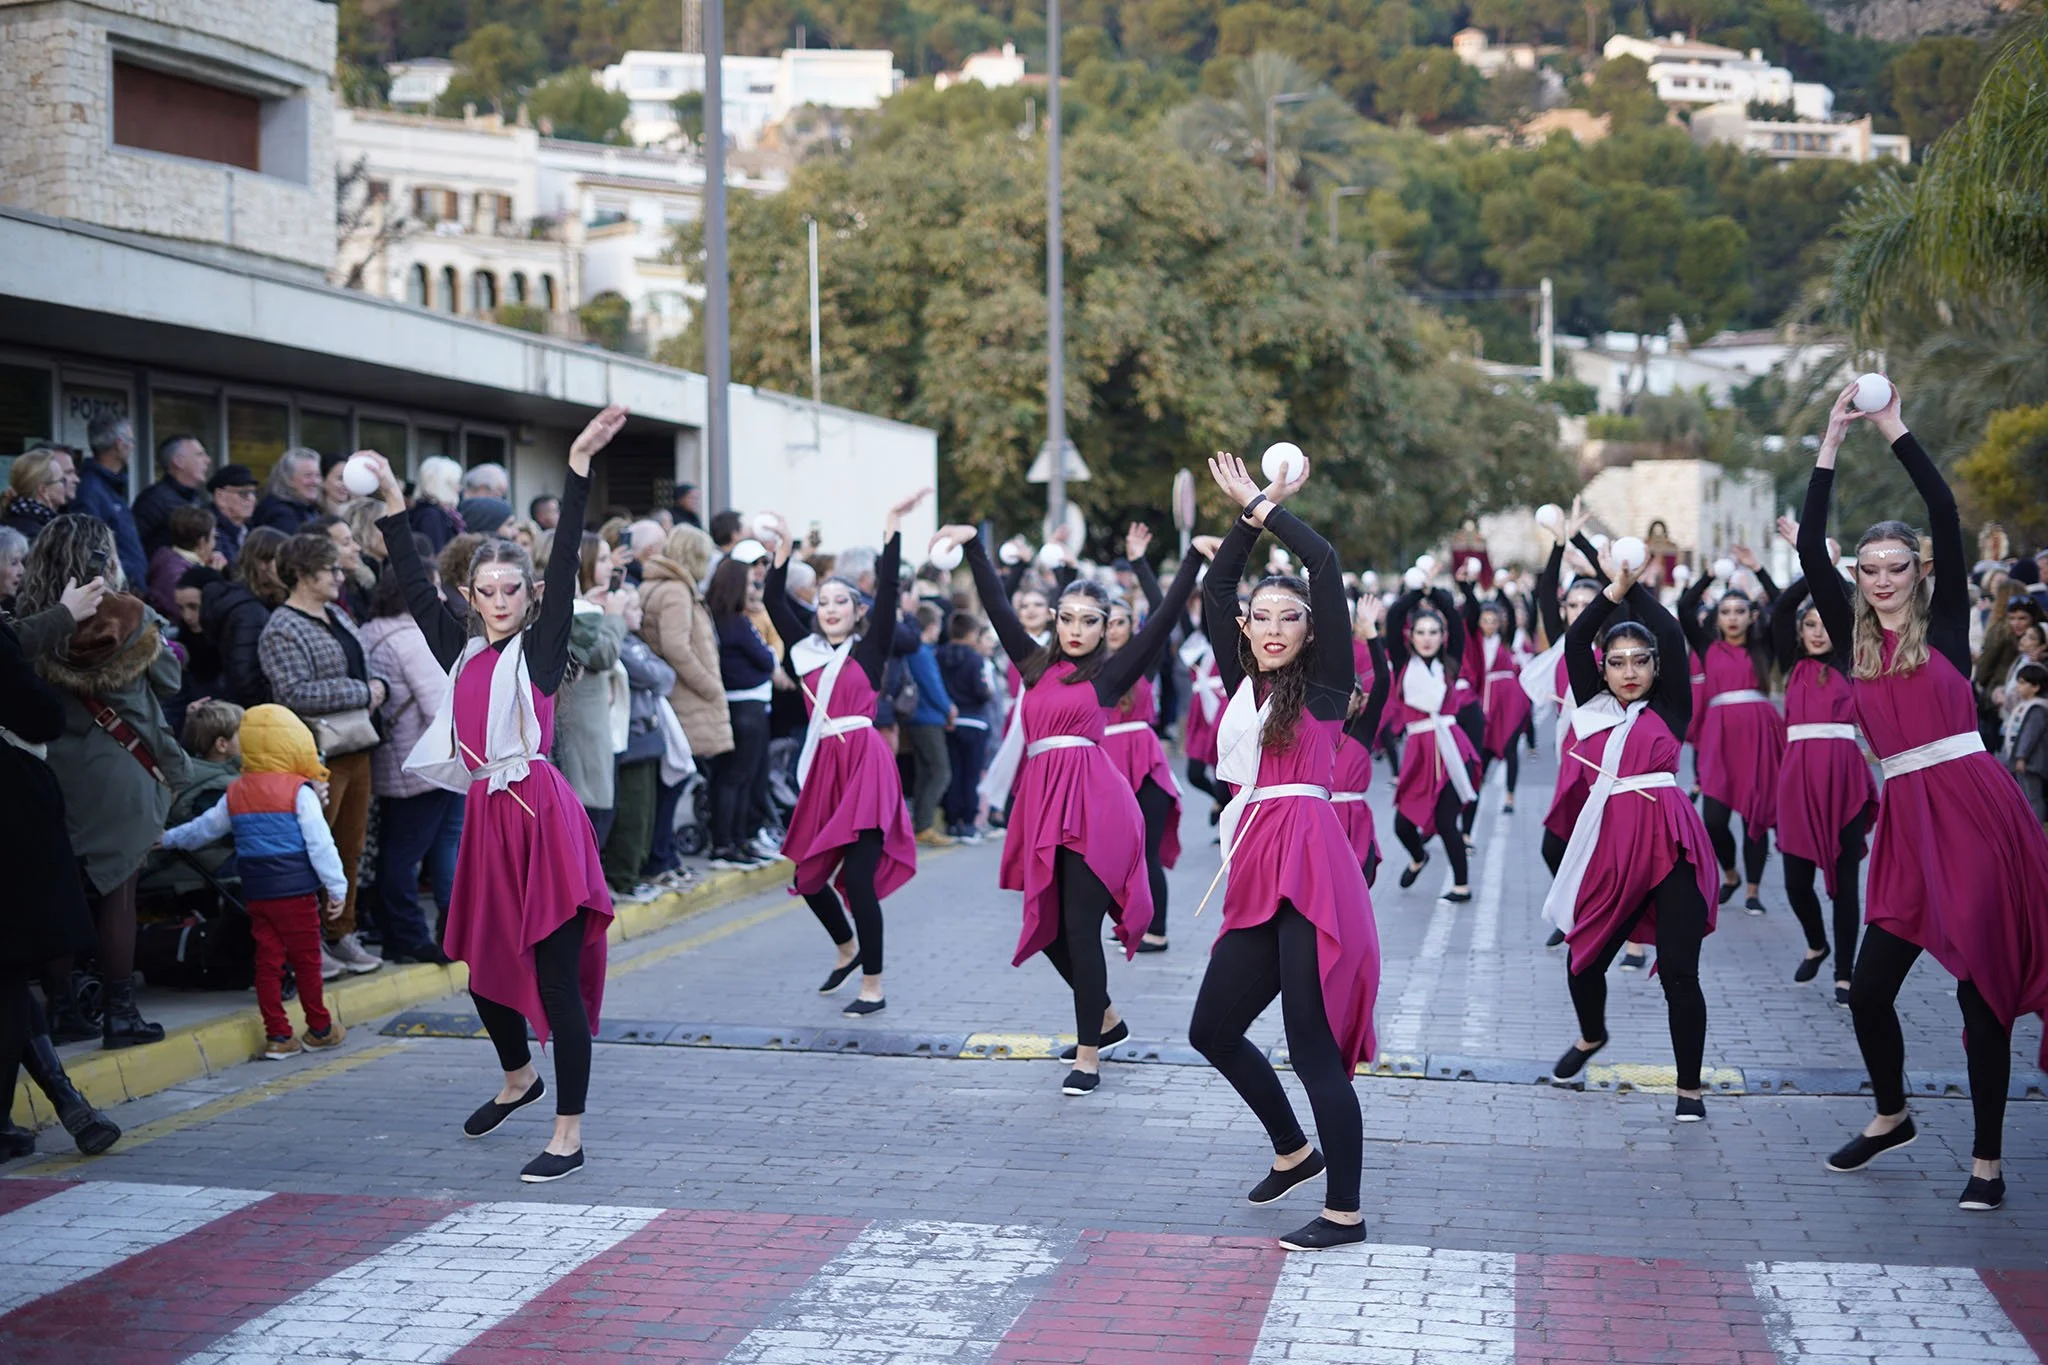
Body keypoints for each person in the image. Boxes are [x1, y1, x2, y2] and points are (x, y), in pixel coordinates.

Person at [1799, 379, 2048, 1212]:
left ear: (1918, 570)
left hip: (1977, 810)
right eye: (1867, 568)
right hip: (1908, 820)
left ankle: (1986, 1162)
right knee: (1868, 990)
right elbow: (1807, 546)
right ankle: (1892, 1112)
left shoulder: (1942, 627)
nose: (1880, 579)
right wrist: (1830, 439)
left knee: (1982, 993)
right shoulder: (1849, 641)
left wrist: (1896, 429)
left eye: (1895, 566)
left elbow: (1943, 509)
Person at [369, 408, 627, 1185]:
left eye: (513, 589)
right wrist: (389, 497)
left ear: (532, 592)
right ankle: (518, 1075)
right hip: (487, 815)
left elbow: (567, 545)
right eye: (487, 590)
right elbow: (414, 586)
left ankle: (568, 1133)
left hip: (541, 817)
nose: (501, 600)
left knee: (553, 978)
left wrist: (577, 465)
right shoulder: (461, 646)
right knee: (479, 964)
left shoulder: (541, 647)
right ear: (470, 593)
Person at [1185, 451, 1381, 1253]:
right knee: (1212, 1028)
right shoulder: (1246, 681)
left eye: (1287, 616)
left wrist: (1269, 508)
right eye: (1260, 616)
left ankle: (1345, 1210)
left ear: (1310, 628)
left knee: (1310, 1044)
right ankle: (1294, 1150)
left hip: (1309, 865)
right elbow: (1212, 591)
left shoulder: (1329, 681)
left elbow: (1324, 561)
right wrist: (1240, 516)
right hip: (1258, 862)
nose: (1271, 627)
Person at [937, 511, 1204, 1098]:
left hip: (1094, 806)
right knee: (1050, 928)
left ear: (1106, 627)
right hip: (1040, 804)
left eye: (1091, 621)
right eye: (1068, 618)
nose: (1078, 628)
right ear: (1056, 621)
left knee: (1080, 930)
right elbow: (999, 608)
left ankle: (1089, 1054)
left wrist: (1191, 563)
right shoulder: (1034, 668)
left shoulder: (1108, 676)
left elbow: (1159, 624)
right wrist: (974, 547)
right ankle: (1107, 1021)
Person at [1542, 543, 1718, 1121]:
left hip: (1672, 844)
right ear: (1602, 668)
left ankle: (1689, 1089)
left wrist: (1635, 584)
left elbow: (1668, 630)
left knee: (1678, 973)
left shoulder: (1670, 707)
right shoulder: (1591, 706)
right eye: (1616, 661)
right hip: (1612, 849)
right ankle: (1592, 1034)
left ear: (1655, 666)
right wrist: (1612, 590)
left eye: (1639, 661)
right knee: (1582, 963)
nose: (1628, 671)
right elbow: (1573, 641)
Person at [19, 515, 186, 1048]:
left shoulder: (28, 620)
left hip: (48, 767)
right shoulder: (129, 613)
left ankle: (64, 1010)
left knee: (59, 893)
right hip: (122, 766)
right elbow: (170, 680)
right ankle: (121, 1015)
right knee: (120, 893)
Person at [761, 496, 927, 1016]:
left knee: (857, 879)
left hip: (866, 765)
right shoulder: (805, 650)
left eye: (842, 602)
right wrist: (783, 553)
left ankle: (872, 985)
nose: (831, 608)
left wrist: (891, 531)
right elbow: (771, 599)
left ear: (857, 612)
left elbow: (891, 590)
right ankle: (847, 948)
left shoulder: (871, 646)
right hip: (824, 766)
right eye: (823, 602)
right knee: (808, 878)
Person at [160, 705, 350, 1058]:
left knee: (267, 962)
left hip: (258, 892)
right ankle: (320, 1029)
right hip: (297, 894)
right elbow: (321, 844)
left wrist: (167, 839)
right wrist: (337, 888)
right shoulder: (299, 791)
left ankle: (278, 1035)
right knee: (307, 960)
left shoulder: (236, 790)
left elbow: (203, 829)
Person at [257, 532, 387, 978]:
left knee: (350, 848)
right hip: (313, 752)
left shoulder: (335, 612)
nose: (339, 575)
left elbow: (361, 664)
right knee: (314, 849)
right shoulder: (282, 626)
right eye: (330, 569)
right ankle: (308, 938)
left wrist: (377, 687)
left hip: (356, 744)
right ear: (304, 574)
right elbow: (293, 692)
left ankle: (341, 931)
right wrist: (362, 692)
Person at [1768, 529, 1879, 1004]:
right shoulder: (1787, 662)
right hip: (1796, 782)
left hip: (1845, 780)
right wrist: (1806, 559)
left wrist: (1829, 566)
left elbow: (1857, 604)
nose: (1817, 631)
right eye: (1808, 624)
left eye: (1824, 623)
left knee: (1846, 882)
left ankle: (1844, 971)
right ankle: (1817, 944)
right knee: (1796, 881)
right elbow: (1777, 611)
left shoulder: (1851, 661)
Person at [361, 545, 461, 963]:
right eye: (434, 588)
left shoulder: (369, 631)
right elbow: (443, 707)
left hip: (396, 761)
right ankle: (413, 936)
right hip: (428, 766)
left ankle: (427, 931)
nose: (440, 597)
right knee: (414, 854)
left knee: (408, 852)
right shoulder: (412, 639)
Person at [1102, 522, 1195, 951]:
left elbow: (1162, 610)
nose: (1116, 628)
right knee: (1109, 852)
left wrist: (1139, 562)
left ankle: (1156, 932)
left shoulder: (1143, 662)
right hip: (1104, 769)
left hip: (1143, 765)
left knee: (1147, 853)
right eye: (1110, 622)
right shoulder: (1090, 670)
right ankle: (1128, 921)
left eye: (1123, 621)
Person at [1676, 547, 1784, 914]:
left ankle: (1752, 890)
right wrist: (1709, 574)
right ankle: (1731, 874)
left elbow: (1784, 606)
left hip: (1758, 739)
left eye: (1740, 611)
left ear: (1751, 616)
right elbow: (1684, 609)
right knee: (1714, 820)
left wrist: (1759, 568)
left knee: (1756, 818)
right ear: (1718, 618)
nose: (1733, 618)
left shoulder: (1763, 647)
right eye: (1726, 612)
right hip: (1718, 741)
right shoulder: (1708, 647)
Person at [1383, 582, 1479, 900]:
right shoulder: (1402, 663)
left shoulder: (1449, 663)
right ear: (1411, 636)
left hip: (1451, 747)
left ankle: (1461, 886)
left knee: (1445, 819)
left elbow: (1455, 619)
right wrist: (1416, 591)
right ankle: (1418, 857)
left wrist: (1437, 593)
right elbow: (1395, 616)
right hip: (1419, 751)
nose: (1427, 638)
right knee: (1402, 825)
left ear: (1443, 637)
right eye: (1420, 632)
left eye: (1433, 632)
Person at [639, 523, 733, 777]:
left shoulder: (661, 585)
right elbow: (676, 647)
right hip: (686, 695)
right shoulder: (676, 590)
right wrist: (709, 685)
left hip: (676, 690)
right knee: (679, 777)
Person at [554, 534, 629, 844]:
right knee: (590, 821)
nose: (610, 566)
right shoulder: (571, 612)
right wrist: (613, 617)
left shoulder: (587, 605)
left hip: (603, 726)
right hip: (582, 729)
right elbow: (604, 654)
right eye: (601, 559)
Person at [703, 553, 777, 868]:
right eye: (748, 582)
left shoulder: (718, 620)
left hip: (734, 706)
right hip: (745, 706)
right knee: (736, 777)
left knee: (733, 777)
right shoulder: (735, 621)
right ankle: (727, 844)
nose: (753, 588)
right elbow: (767, 659)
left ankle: (737, 841)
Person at [1460, 579, 1533, 814]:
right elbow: (1469, 615)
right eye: (1486, 620)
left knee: (1510, 747)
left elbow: (1511, 615)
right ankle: (1474, 792)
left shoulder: (1506, 640)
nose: (1490, 625)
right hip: (1485, 700)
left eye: (1494, 621)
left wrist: (1502, 590)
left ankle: (1510, 797)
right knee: (1485, 749)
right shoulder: (1475, 642)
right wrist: (1469, 588)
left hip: (1509, 701)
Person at [1334, 598, 1392, 886]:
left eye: (1351, 694)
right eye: (1338, 692)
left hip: (1355, 820)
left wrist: (1371, 632)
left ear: (1361, 700)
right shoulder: (1317, 728)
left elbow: (1383, 679)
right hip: (1322, 818)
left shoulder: (1363, 729)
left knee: (1359, 885)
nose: (1344, 699)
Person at [200, 526, 287, 708]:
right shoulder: (249, 612)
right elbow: (246, 680)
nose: (290, 568)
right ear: (262, 564)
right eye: (282, 561)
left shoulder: (257, 604)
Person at [937, 610, 993, 842]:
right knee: (972, 774)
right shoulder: (975, 658)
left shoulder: (938, 655)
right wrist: (987, 693)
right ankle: (969, 823)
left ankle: (952, 822)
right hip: (974, 721)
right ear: (971, 634)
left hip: (949, 722)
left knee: (954, 772)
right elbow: (981, 691)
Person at [74, 415, 147, 590]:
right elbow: (93, 547)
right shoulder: (90, 490)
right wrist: (127, 576)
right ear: (119, 444)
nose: (132, 446)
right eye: (131, 440)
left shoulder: (110, 486)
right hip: (116, 591)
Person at [905, 601, 957, 846]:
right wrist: (948, 708)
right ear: (931, 625)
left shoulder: (920, 650)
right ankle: (924, 825)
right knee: (940, 770)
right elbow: (932, 685)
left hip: (921, 717)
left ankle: (920, 823)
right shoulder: (921, 652)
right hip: (927, 718)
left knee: (926, 771)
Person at [134, 434, 213, 556]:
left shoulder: (194, 498)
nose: (208, 460)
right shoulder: (153, 500)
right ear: (178, 462)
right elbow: (135, 546)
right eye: (199, 455)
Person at [145, 505, 219, 619]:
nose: (215, 544)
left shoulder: (170, 561)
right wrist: (212, 576)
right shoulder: (174, 572)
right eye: (214, 537)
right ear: (202, 542)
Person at [2003, 662, 2048, 824]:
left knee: (2032, 796)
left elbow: (2030, 735)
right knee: (2024, 795)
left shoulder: (2037, 709)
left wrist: (2022, 756)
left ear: (2035, 687)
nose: (2018, 686)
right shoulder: (2025, 705)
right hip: (2022, 761)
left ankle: (2036, 826)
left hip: (2030, 762)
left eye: (2022, 683)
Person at [1, 448, 71, 542]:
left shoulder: (14, 518)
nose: (65, 485)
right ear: (43, 490)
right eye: (62, 480)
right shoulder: (37, 535)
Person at [252, 448, 323, 534]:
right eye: (308, 476)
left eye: (318, 476)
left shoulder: (309, 509)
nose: (315, 482)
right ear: (289, 479)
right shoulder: (280, 515)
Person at [409, 457, 466, 553]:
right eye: (455, 483)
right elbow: (437, 553)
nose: (459, 488)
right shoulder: (431, 515)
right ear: (442, 485)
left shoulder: (440, 512)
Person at [208, 464, 260, 565]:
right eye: (244, 493)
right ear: (220, 497)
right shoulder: (208, 529)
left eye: (253, 493)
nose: (252, 499)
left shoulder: (250, 530)